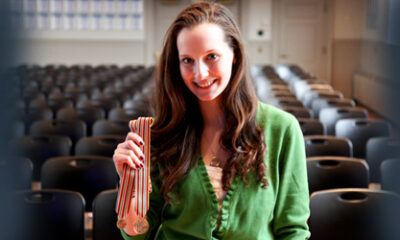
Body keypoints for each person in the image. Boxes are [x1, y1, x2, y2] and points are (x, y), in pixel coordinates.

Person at [113, 2, 310, 239]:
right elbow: (138, 234)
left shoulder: (282, 129)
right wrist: (130, 186)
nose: (200, 73)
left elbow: (293, 231)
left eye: (211, 57)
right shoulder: (160, 133)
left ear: (234, 54)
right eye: (187, 60)